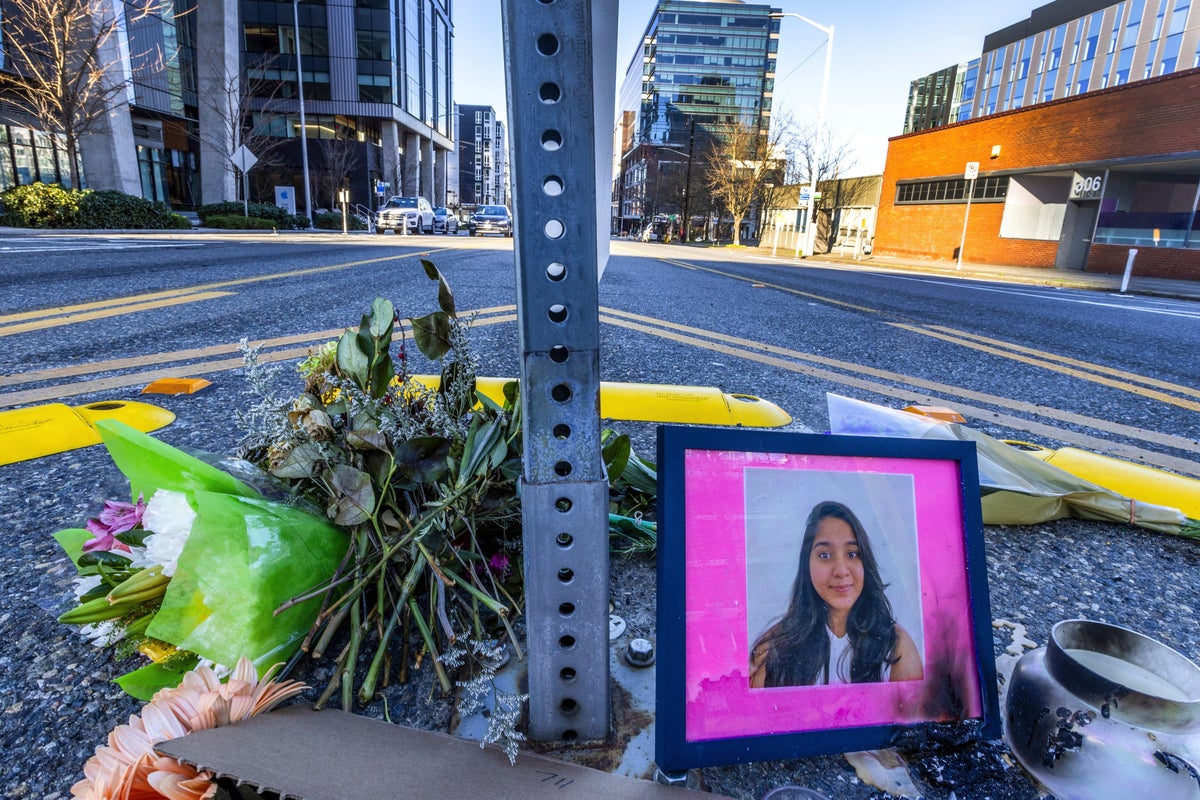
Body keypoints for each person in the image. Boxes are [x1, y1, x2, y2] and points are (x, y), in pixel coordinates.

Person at [749, 500, 923, 688]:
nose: (841, 571)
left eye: (852, 554)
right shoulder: (773, 650)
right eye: (825, 555)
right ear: (807, 565)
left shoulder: (898, 648)